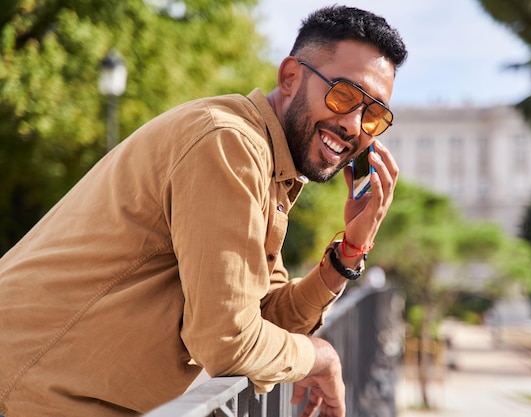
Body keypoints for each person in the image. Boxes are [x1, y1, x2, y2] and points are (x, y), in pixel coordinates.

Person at [0, 5, 407, 417]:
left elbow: (266, 320)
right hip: (24, 396)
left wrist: (350, 249)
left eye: (374, 116)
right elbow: (228, 341)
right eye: (344, 95)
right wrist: (319, 356)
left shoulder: (269, 166)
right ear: (290, 77)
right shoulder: (227, 143)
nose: (354, 126)